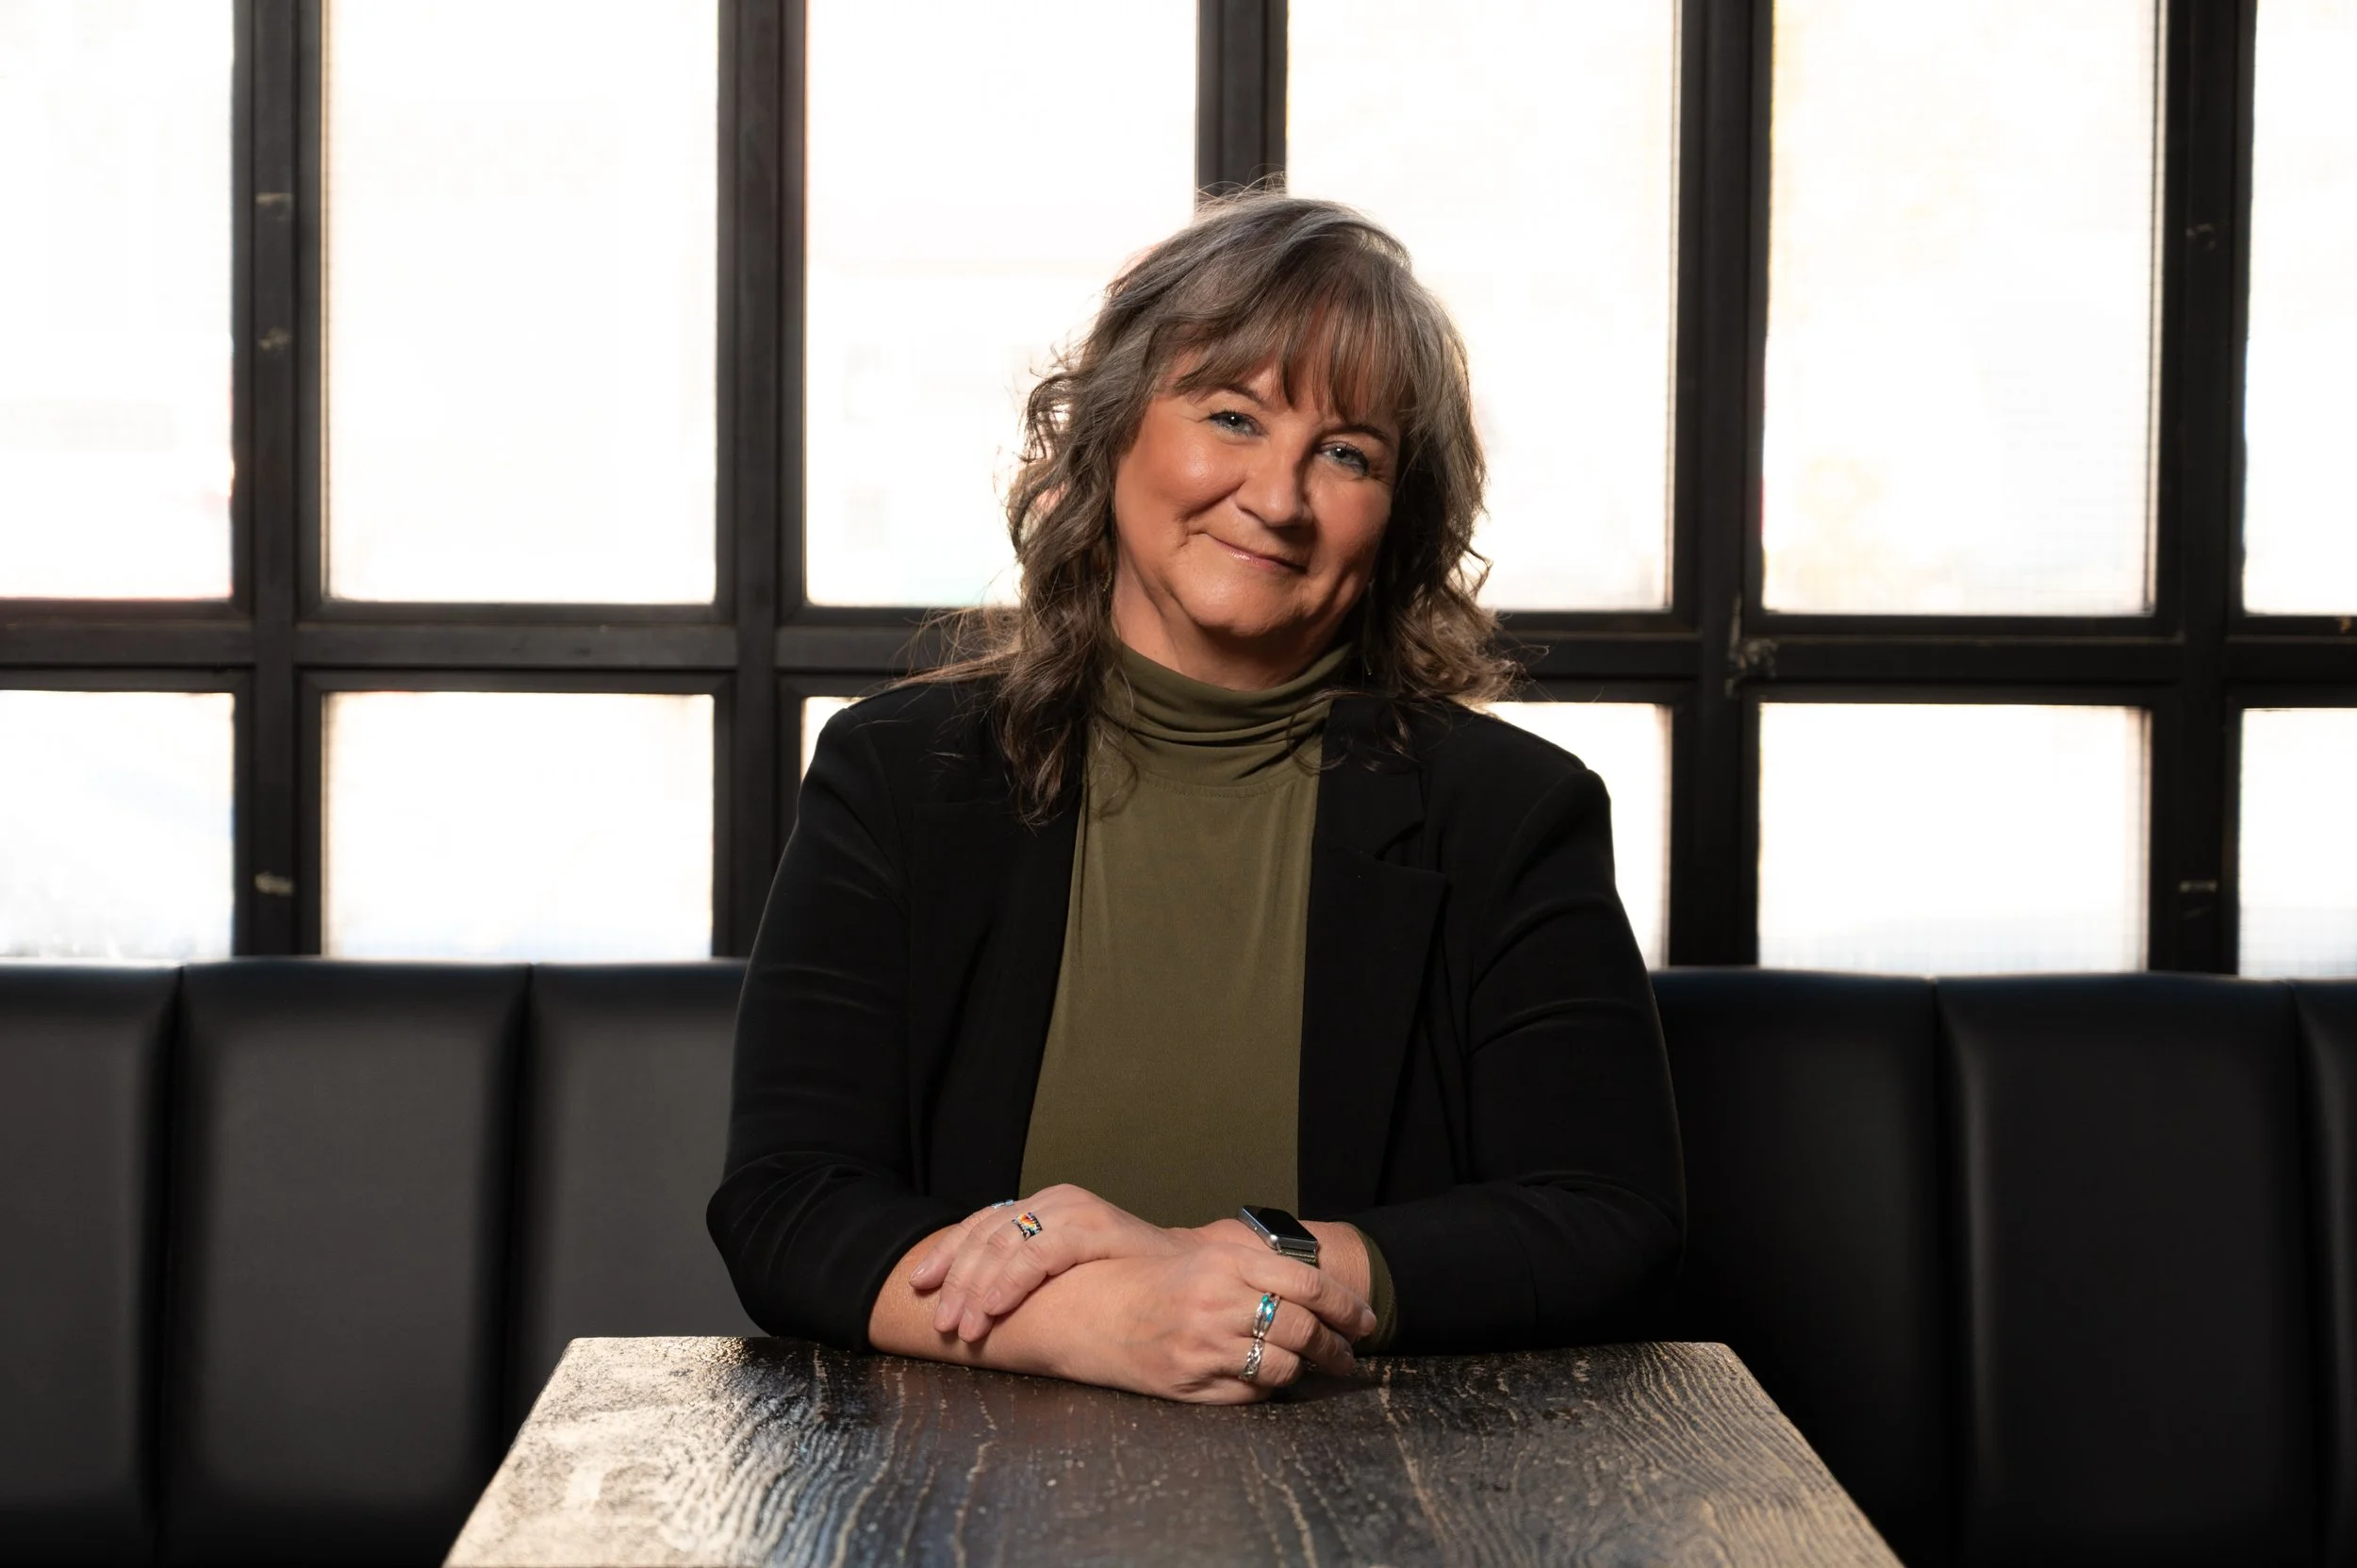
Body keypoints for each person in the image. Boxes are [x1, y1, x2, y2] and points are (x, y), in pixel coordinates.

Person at [710, 192, 1682, 1405]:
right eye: (1232, 416)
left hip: (1382, 1472)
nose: (1278, 497)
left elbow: (1604, 1216)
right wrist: (1095, 1321)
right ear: (1113, 431)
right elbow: (789, 1202)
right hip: (960, 1470)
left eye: (1347, 453)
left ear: (1398, 518)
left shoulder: (1509, 812)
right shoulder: (898, 774)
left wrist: (1232, 1266)